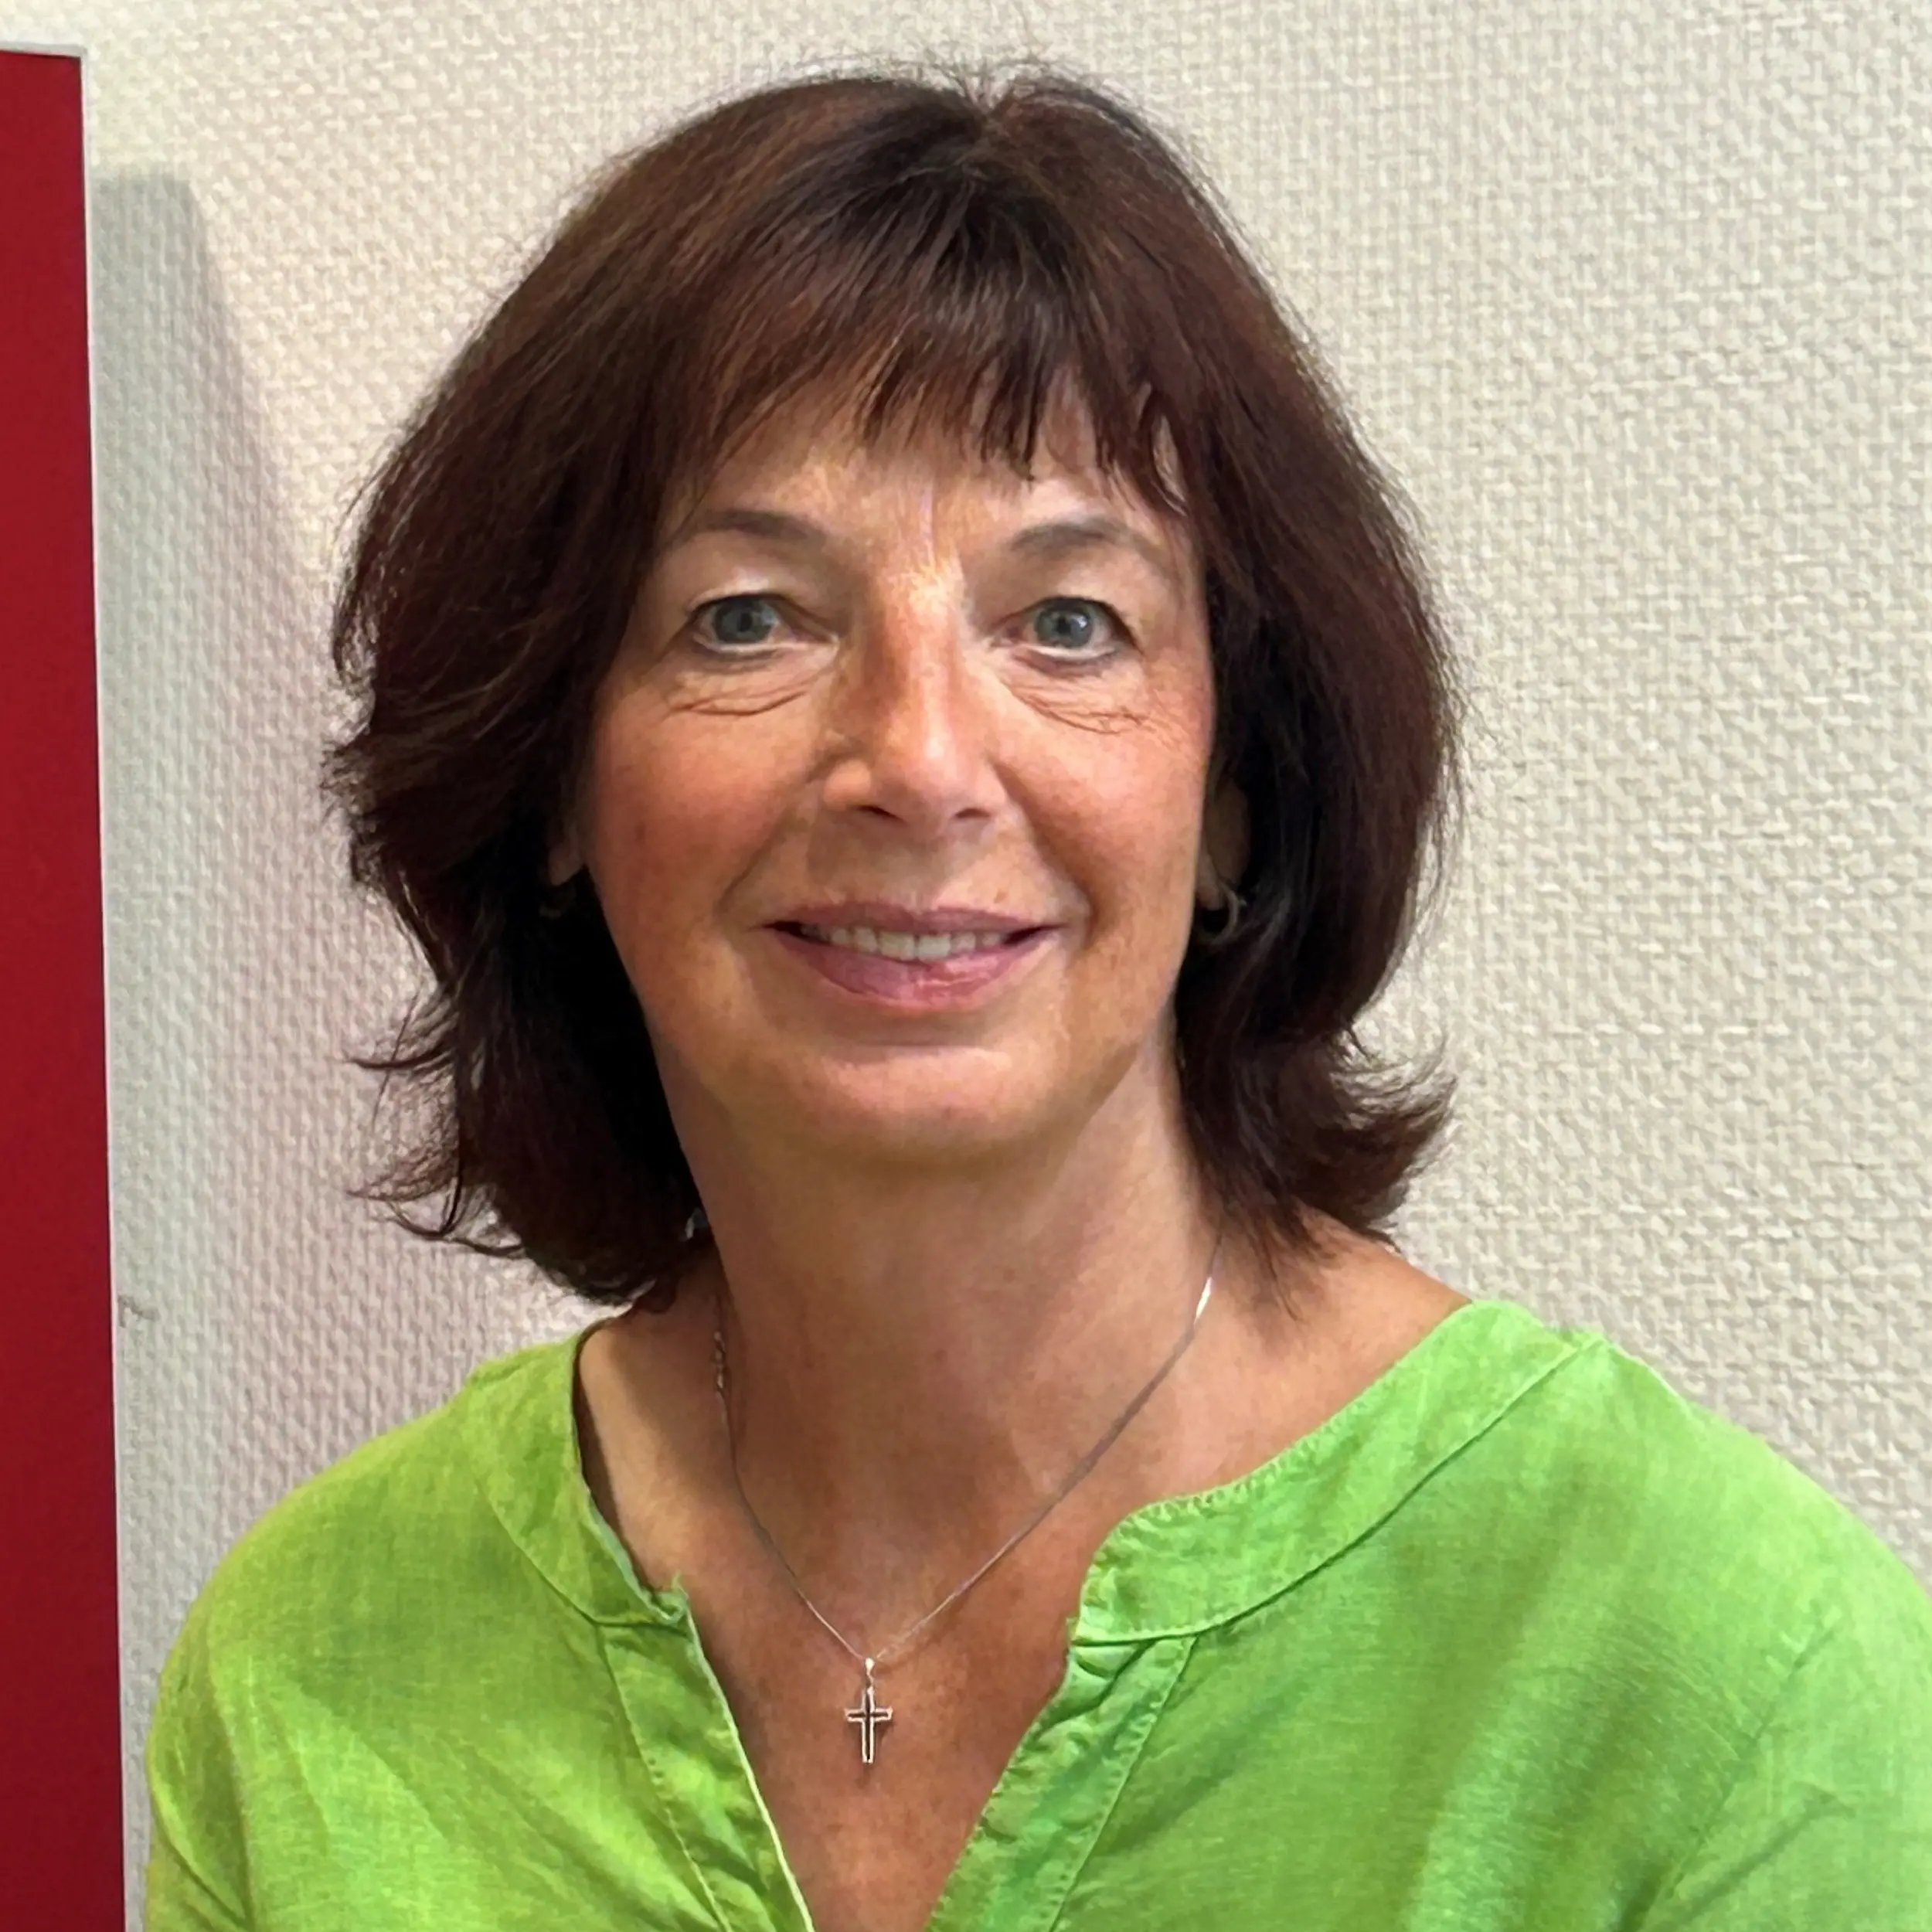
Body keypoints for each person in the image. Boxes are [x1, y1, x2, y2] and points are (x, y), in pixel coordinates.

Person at [144, 60, 1931, 1932]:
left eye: (1067, 621)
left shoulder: (1717, 1677)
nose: (919, 761)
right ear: (553, 783)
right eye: (747, 615)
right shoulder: (314, 1670)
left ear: (1234, 787)